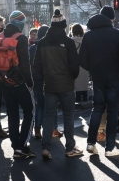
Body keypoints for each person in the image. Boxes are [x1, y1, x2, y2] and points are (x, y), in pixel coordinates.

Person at [79, 5, 119, 157]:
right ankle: (110, 147)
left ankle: (90, 142)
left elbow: (82, 60)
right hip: (115, 76)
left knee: (97, 108)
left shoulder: (88, 36)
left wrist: (93, 68)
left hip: (97, 77)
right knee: (112, 111)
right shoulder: (117, 34)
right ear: (111, 19)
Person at [33, 10, 83, 159]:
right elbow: (74, 66)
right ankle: (69, 148)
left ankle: (45, 149)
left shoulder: (41, 43)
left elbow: (37, 67)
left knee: (49, 116)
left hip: (49, 85)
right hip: (66, 85)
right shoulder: (68, 43)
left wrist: (46, 76)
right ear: (63, 26)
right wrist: (71, 77)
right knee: (68, 116)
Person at [0, 10, 36, 158]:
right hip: (19, 81)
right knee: (29, 111)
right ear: (20, 23)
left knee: (12, 114)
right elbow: (25, 64)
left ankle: (16, 147)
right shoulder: (21, 38)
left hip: (4, 81)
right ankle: (23, 144)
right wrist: (30, 81)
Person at [29, 25, 60, 139]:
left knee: (39, 106)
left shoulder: (32, 48)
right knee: (52, 105)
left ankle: (37, 129)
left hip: (36, 80)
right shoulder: (51, 47)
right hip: (49, 80)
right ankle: (53, 129)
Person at [71, 24, 90, 103]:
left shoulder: (70, 41)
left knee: (77, 83)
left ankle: (78, 98)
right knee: (84, 82)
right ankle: (85, 97)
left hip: (75, 65)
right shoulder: (86, 40)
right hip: (84, 65)